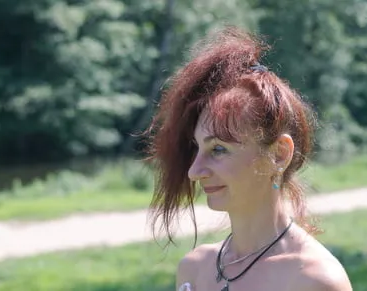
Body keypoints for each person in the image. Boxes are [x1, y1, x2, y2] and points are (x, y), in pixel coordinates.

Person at [146, 27, 353, 291]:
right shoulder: (193, 269)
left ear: (279, 154)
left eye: (218, 149)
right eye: (196, 148)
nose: (194, 171)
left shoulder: (313, 280)